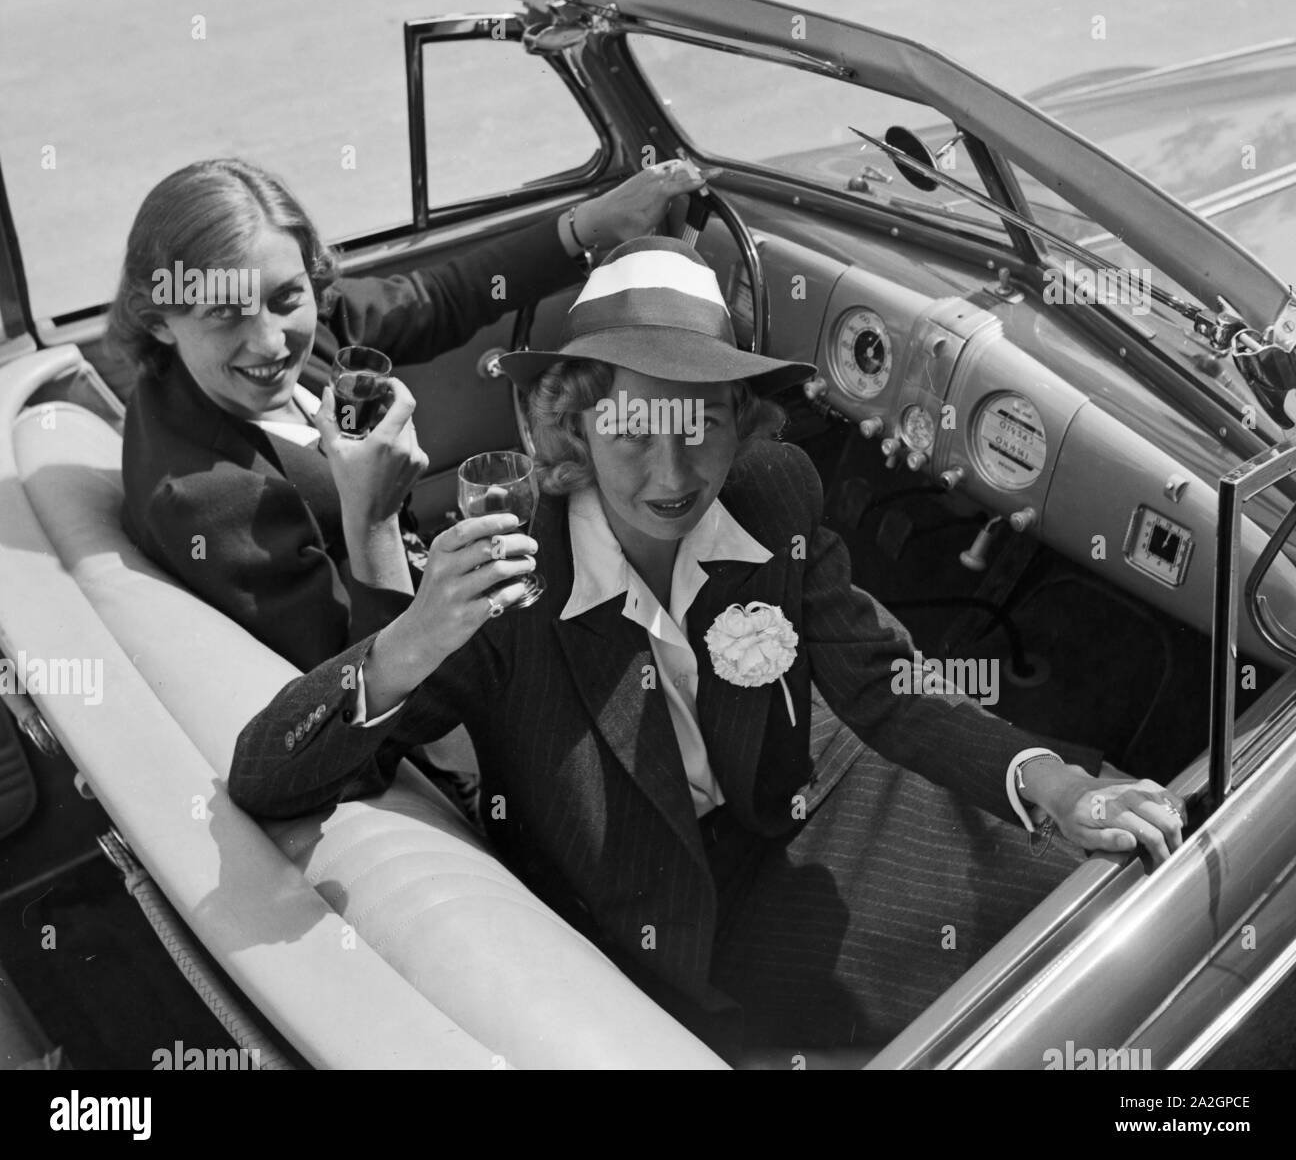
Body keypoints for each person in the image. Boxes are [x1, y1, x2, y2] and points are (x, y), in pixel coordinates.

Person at [228, 237, 1186, 1058]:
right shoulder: (504, 576)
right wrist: (409, 639)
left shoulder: (775, 492)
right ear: (575, 427)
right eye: (637, 431)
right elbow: (266, 773)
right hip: (688, 916)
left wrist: (1050, 784)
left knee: (1136, 930)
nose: (675, 475)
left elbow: (886, 688)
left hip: (831, 800)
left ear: (744, 424)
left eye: (704, 427)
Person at [108, 156, 709, 673]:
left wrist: (587, 226)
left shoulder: (298, 328)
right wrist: (374, 515)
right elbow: (356, 685)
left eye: (286, 297)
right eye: (224, 314)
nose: (271, 343)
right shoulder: (203, 499)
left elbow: (437, 297)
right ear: (159, 319)